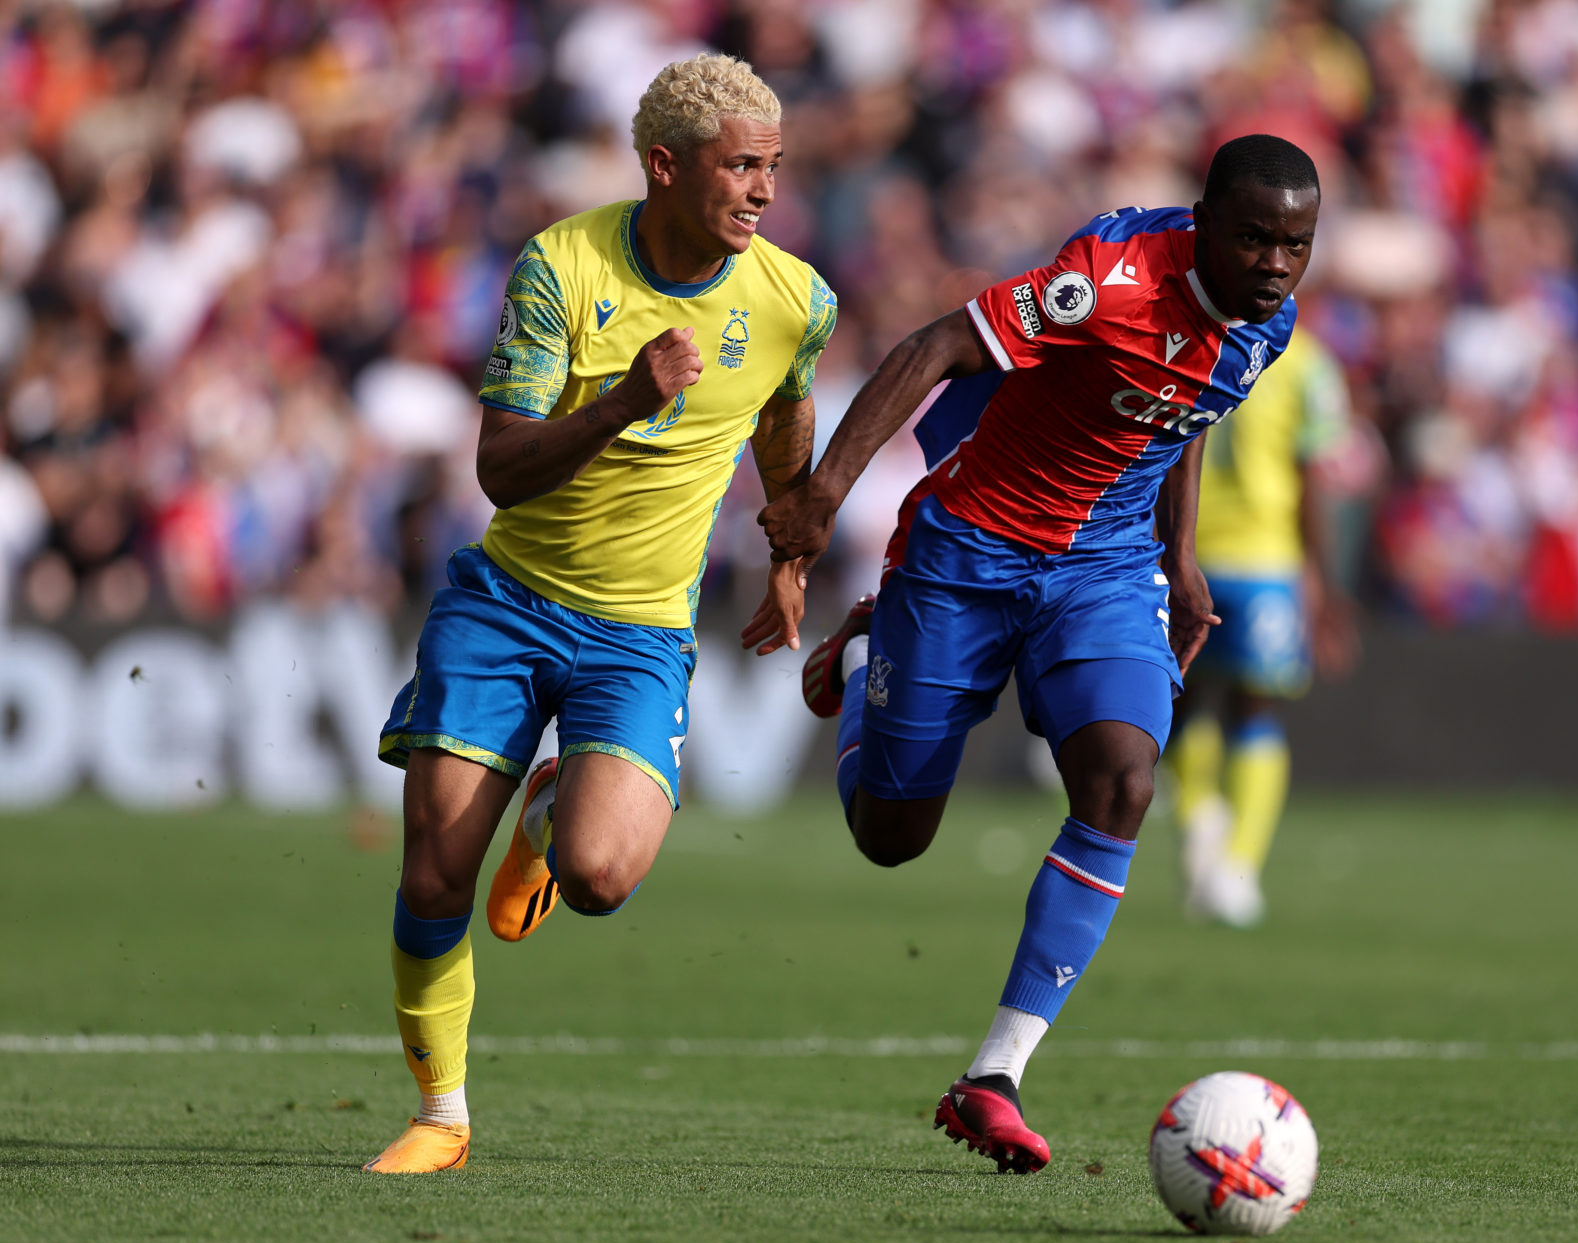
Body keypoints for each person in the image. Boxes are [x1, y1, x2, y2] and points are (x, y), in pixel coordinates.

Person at [760, 135, 1320, 1173]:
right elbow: (933, 347)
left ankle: (995, 1074)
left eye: (1296, 245)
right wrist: (821, 497)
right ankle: (863, 657)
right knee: (891, 836)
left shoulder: (1266, 321)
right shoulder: (1102, 280)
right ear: (1203, 221)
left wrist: (1181, 559)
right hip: (969, 549)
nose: (1278, 265)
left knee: (1124, 779)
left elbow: (1186, 410)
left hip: (1102, 572)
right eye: (1256, 241)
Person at [362, 53, 836, 1174]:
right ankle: (442, 1116)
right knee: (433, 872)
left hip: (641, 632)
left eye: (774, 166)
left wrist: (787, 550)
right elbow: (501, 470)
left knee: (600, 876)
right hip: (507, 605)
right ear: (666, 168)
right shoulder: (559, 266)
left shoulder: (794, 297)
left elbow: (786, 410)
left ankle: (548, 813)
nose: (764, 190)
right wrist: (628, 397)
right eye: (742, 167)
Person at [1166, 325, 1359, 928]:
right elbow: (1311, 481)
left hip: (1186, 552)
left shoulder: (1185, 336)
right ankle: (1239, 869)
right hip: (1264, 562)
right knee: (1256, 710)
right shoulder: (1307, 363)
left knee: (1184, 698)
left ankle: (1199, 818)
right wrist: (1324, 582)